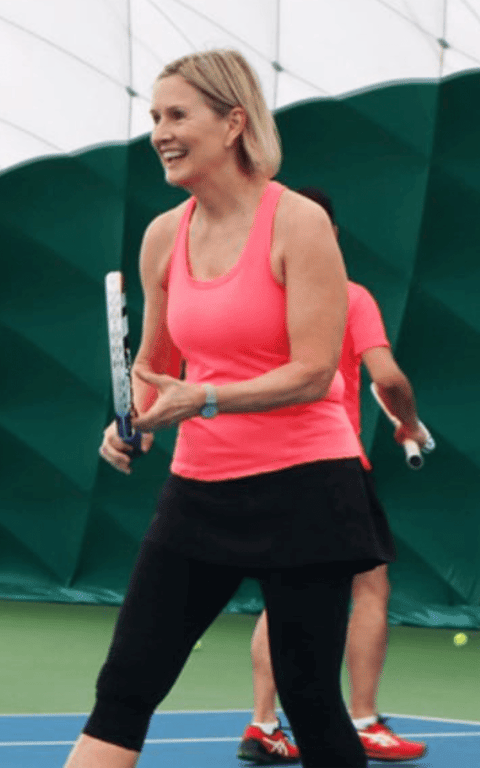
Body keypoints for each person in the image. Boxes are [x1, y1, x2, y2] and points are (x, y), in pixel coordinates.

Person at [64, 49, 395, 768]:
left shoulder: (298, 223)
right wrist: (134, 422)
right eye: (155, 117)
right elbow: (155, 367)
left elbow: (313, 376)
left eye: (178, 115)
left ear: (233, 122)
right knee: (125, 687)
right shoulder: (163, 234)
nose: (160, 132)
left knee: (309, 696)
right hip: (198, 496)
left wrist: (205, 399)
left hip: (308, 489)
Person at [237, 187, 430, 765]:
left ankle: (264, 724)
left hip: (259, 465)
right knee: (370, 587)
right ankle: (364, 719)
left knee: (281, 592)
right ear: (332, 237)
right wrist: (409, 423)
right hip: (331, 464)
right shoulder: (348, 297)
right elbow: (388, 378)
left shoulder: (255, 298)